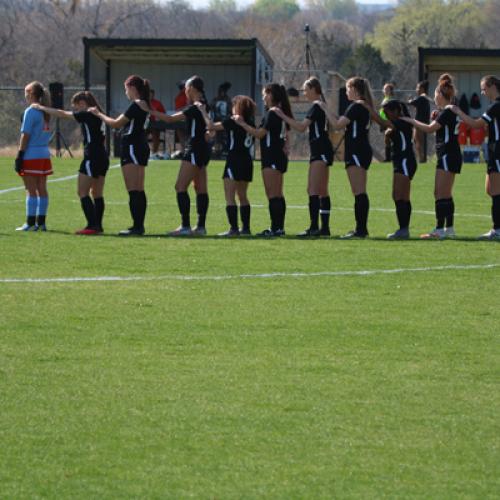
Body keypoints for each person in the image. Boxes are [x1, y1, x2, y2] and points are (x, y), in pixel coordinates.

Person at [32, 91, 109, 235]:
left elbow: (62, 114)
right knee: (97, 193)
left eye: (78, 106)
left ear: (84, 103)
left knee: (82, 192)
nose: (77, 109)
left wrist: (41, 108)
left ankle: (92, 226)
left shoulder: (87, 114)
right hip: (102, 156)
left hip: (92, 156)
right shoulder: (98, 113)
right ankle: (97, 225)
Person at [147, 75, 211, 236]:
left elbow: (169, 119)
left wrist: (148, 110)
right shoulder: (204, 105)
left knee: (180, 187)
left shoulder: (196, 106)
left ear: (192, 89)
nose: (185, 91)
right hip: (203, 149)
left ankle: (185, 226)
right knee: (200, 188)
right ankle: (200, 227)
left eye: (186, 88)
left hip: (195, 149)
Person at [271, 77, 333, 237]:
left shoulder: (316, 106)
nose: (304, 93)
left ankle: (314, 227)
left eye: (305, 89)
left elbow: (300, 127)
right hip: (325, 149)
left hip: (319, 150)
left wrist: (282, 115)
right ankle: (324, 228)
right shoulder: (321, 105)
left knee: (312, 189)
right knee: (323, 190)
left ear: (313, 89)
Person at [402, 74, 462, 239]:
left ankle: (439, 230)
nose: (434, 97)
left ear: (442, 95)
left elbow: (429, 129)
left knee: (439, 193)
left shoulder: (447, 111)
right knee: (446, 193)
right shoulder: (447, 110)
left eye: (436, 94)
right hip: (451, 154)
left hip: (447, 154)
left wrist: (411, 120)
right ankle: (449, 229)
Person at [90, 75, 150, 236]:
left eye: (126, 89)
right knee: (138, 189)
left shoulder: (136, 104)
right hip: (139, 146)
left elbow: (116, 123)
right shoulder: (144, 103)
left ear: (132, 88)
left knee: (134, 190)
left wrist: (98, 114)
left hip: (132, 147)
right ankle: (138, 225)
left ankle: (137, 227)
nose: (126, 92)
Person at [234, 83, 293, 237]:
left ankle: (275, 229)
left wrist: (242, 124)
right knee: (278, 193)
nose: (263, 97)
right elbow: (286, 131)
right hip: (278, 156)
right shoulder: (279, 112)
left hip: (272, 156)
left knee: (273, 194)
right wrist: (287, 144)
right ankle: (278, 228)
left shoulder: (272, 113)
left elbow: (260, 133)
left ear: (272, 95)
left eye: (265, 94)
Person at [447, 75, 500, 240]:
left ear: (492, 86)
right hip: (493, 152)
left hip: (498, 152)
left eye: (484, 88)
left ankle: (497, 230)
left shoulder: (496, 106)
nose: (482, 92)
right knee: (491, 190)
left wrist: (458, 112)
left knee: (496, 192)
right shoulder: (494, 106)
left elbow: (477, 124)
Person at [320, 76, 374, 238]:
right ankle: (360, 228)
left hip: (357, 151)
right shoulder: (364, 105)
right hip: (361, 150)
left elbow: (337, 126)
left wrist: (325, 108)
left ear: (356, 90)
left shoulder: (356, 106)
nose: (346, 92)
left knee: (359, 192)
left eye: (348, 88)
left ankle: (361, 229)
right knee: (359, 191)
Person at [199, 95, 256, 236]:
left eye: (234, 105)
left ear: (239, 108)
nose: (232, 108)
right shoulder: (251, 122)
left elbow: (211, 126)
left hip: (234, 160)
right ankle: (246, 229)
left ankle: (234, 229)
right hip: (247, 160)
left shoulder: (234, 120)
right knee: (242, 195)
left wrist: (203, 111)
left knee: (229, 196)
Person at [366, 99, 417, 239]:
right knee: (398, 196)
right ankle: (403, 229)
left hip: (406, 161)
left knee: (400, 196)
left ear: (396, 111)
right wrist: (388, 138)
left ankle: (404, 229)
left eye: (387, 113)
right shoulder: (395, 124)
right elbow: (388, 138)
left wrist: (368, 109)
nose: (386, 116)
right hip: (400, 161)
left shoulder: (402, 121)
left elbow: (382, 122)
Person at [15, 81, 52, 231]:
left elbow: (25, 135)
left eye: (26, 92)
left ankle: (30, 223)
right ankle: (41, 223)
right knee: (42, 188)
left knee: (30, 189)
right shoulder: (46, 111)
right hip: (44, 154)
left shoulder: (31, 111)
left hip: (31, 154)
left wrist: (20, 155)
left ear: (31, 94)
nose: (25, 95)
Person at [408, 80, 432, 162]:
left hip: (420, 123)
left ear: (422, 88)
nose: (416, 89)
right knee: (416, 140)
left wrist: (410, 99)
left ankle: (421, 159)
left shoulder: (422, 97)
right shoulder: (424, 98)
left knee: (418, 141)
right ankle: (420, 158)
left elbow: (411, 103)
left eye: (418, 87)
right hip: (421, 122)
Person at [211, 82, 232, 158]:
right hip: (216, 121)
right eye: (220, 91)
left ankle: (225, 151)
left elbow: (230, 111)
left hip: (225, 121)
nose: (221, 93)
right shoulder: (215, 100)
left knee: (225, 137)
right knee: (217, 138)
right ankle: (217, 152)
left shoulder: (228, 100)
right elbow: (211, 109)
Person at [148, 89, 166, 160]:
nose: (150, 96)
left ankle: (154, 153)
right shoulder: (143, 103)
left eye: (151, 94)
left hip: (155, 123)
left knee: (155, 134)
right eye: (149, 94)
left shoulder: (157, 103)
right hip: (145, 124)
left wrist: (159, 117)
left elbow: (163, 113)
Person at [380, 82, 395, 161]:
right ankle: (388, 157)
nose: (385, 90)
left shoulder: (390, 99)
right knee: (386, 139)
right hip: (384, 121)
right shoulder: (385, 99)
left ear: (391, 91)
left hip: (389, 121)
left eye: (387, 89)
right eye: (384, 89)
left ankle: (390, 158)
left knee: (389, 139)